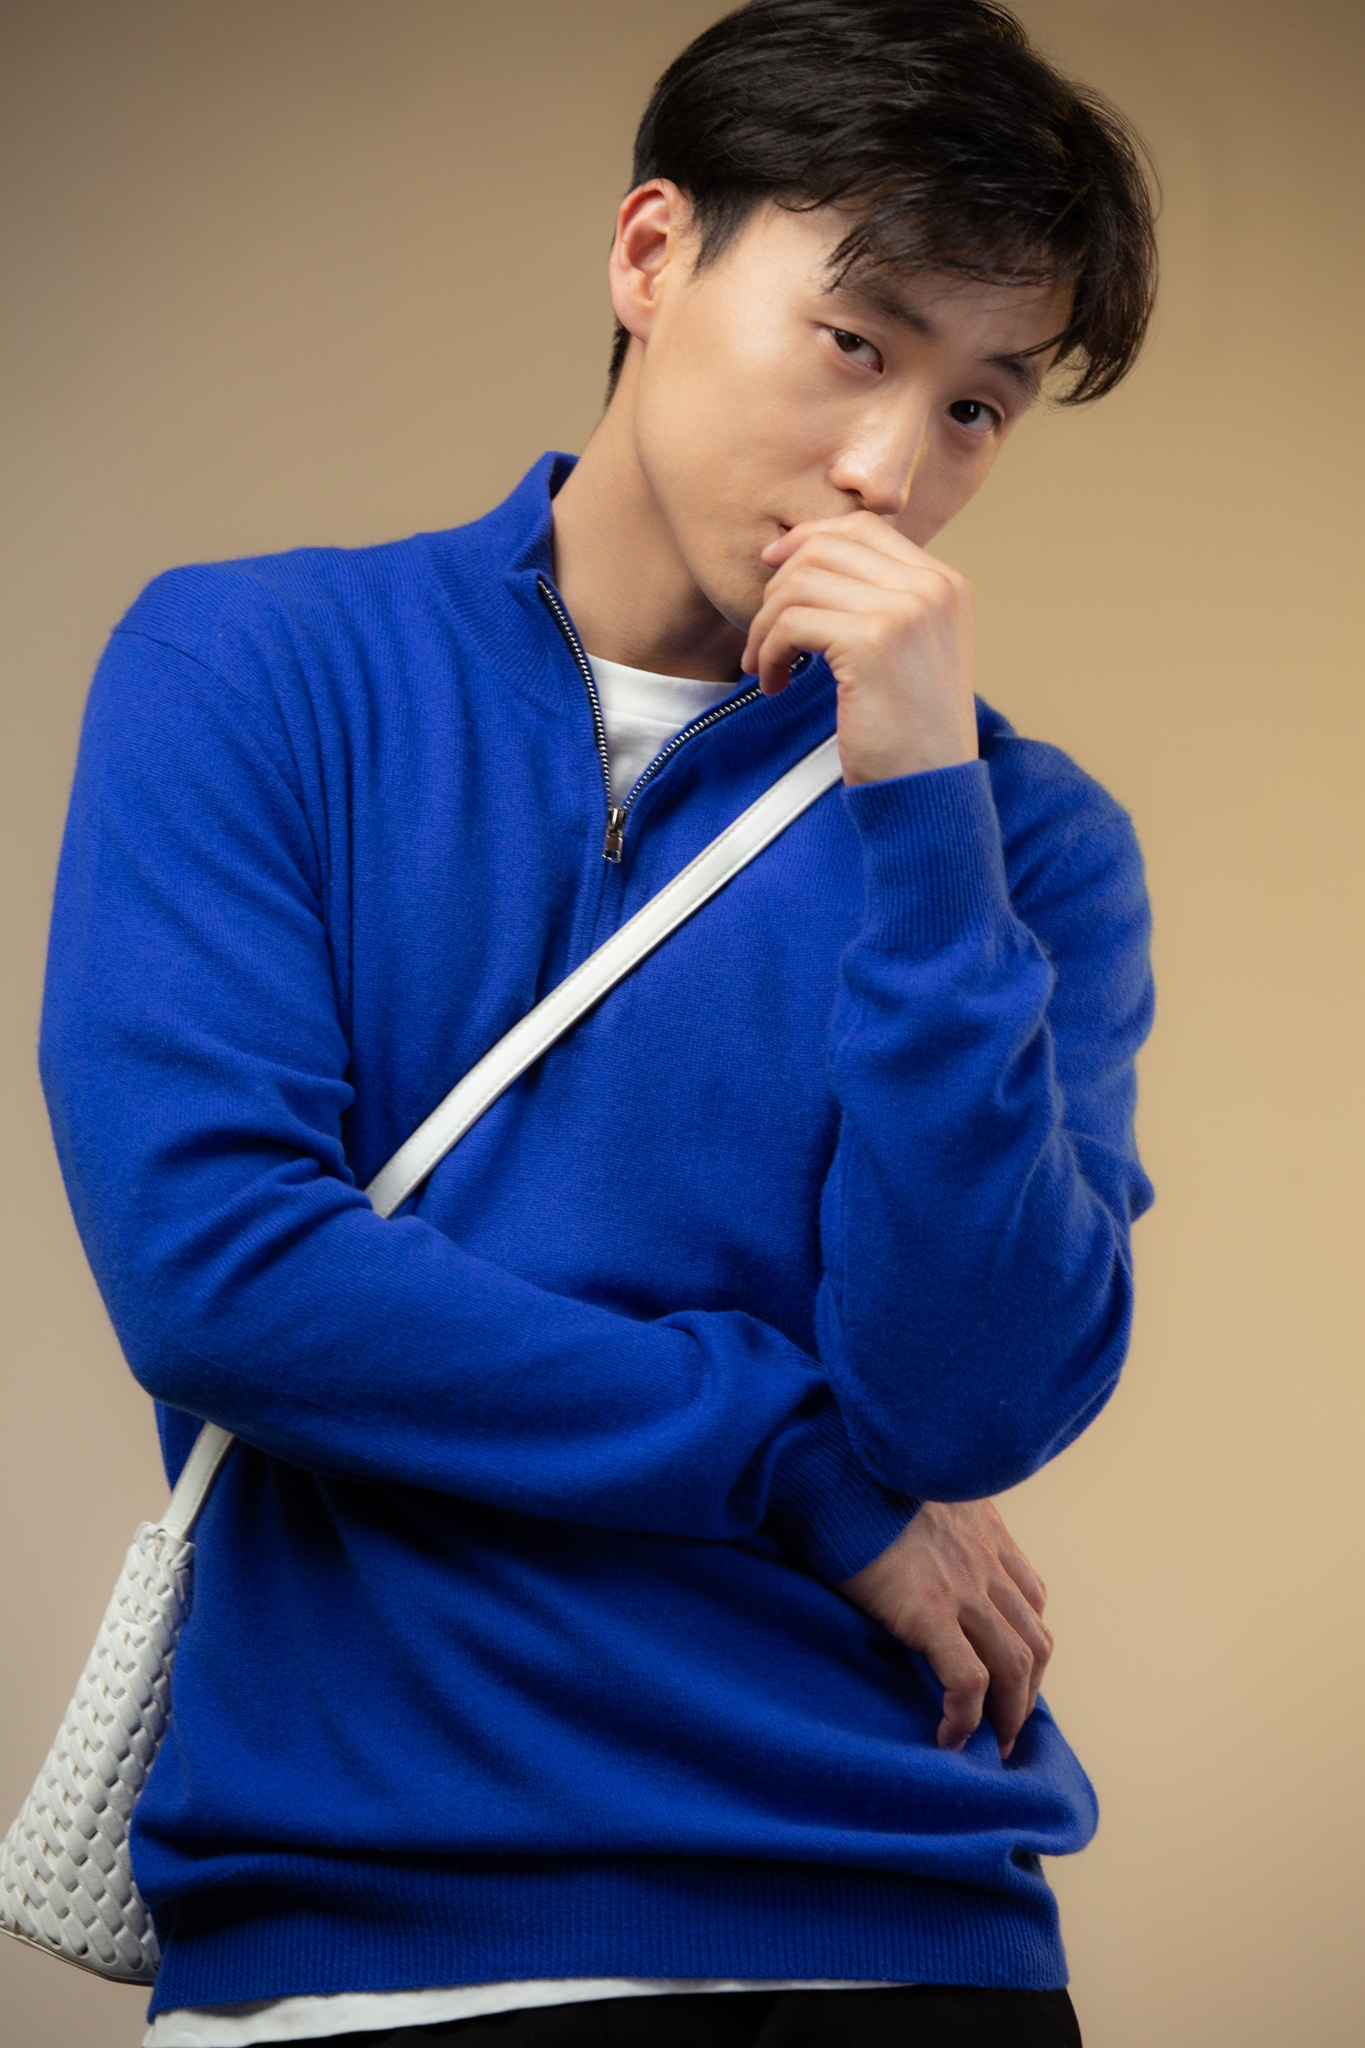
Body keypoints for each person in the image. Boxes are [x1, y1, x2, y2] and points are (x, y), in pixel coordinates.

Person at [39, 2, 1158, 2043]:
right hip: (363, 1932)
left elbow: (965, 1409)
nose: (890, 471)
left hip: (901, 1928)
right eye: (856, 342)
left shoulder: (1024, 840)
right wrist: (792, 1460)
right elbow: (219, 1273)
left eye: (977, 407)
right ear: (651, 254)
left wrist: (926, 819)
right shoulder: (253, 668)